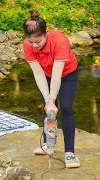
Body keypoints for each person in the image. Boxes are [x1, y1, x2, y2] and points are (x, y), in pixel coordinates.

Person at [22, 9, 80, 168]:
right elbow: (38, 73)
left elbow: (57, 72)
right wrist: (49, 102)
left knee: (66, 107)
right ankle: (49, 145)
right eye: (30, 41)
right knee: (48, 109)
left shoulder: (59, 40)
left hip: (67, 73)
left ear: (46, 35)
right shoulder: (28, 46)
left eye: (38, 41)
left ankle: (70, 152)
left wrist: (53, 99)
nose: (34, 45)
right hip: (46, 74)